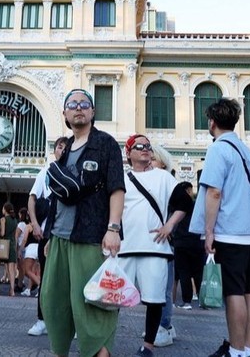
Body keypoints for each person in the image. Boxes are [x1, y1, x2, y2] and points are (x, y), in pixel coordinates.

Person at [40, 89, 125, 357]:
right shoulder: (65, 150)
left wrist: (113, 229)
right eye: (72, 104)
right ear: (65, 113)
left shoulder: (105, 143)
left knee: (91, 302)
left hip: (89, 236)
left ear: (92, 112)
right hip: (60, 237)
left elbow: (116, 189)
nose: (79, 108)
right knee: (54, 302)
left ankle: (100, 353)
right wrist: (50, 235)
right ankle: (59, 350)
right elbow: (58, 198)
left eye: (85, 104)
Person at [189, 98, 250, 357]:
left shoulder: (218, 149)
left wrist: (209, 232)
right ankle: (248, 346)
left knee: (233, 293)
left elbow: (214, 193)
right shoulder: (245, 151)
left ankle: (236, 350)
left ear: (212, 122)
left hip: (228, 231)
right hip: (249, 231)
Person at [118, 134, 183, 357]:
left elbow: (184, 203)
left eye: (148, 146)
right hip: (124, 247)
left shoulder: (163, 177)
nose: (145, 149)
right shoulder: (120, 178)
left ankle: (148, 346)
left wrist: (169, 225)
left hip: (155, 248)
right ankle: (104, 342)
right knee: (112, 297)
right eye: (139, 146)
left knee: (155, 299)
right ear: (129, 153)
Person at [26, 136, 67, 336]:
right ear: (54, 150)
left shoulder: (77, 171)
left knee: (71, 279)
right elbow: (32, 198)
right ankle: (42, 319)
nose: (63, 150)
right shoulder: (46, 172)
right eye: (60, 146)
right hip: (47, 232)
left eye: (67, 147)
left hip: (69, 234)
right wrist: (34, 223)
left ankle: (72, 323)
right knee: (47, 278)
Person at [149, 144, 178, 344]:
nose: (148, 162)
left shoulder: (167, 181)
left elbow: (182, 205)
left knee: (163, 288)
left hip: (164, 242)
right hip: (148, 242)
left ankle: (164, 326)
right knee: (153, 288)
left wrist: (169, 227)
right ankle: (157, 326)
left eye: (152, 159)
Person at [171, 182, 203, 311]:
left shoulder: (176, 206)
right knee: (198, 273)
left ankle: (187, 301)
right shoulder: (196, 206)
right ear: (188, 191)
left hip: (180, 243)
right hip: (196, 241)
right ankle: (202, 299)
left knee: (184, 273)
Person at [0, 202, 19, 296]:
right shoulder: (15, 220)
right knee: (11, 270)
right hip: (11, 246)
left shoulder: (3, 219)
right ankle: (12, 290)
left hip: (3, 246)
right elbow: (15, 236)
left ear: (5, 209)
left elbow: (3, 233)